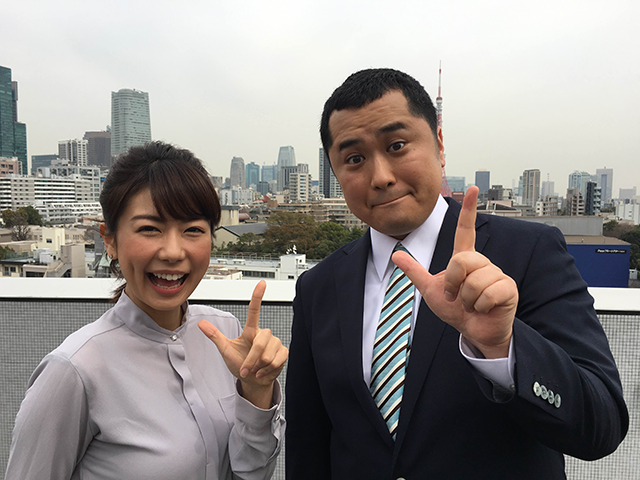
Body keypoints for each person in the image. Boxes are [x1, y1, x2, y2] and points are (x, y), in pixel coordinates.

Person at [285, 68, 628, 479]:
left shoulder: (527, 252)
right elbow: (308, 442)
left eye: (397, 146)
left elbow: (602, 426)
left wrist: (504, 348)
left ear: (439, 145)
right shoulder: (318, 286)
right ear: (335, 172)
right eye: (354, 159)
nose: (381, 177)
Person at [5, 142, 287, 480]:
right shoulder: (75, 371)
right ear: (109, 239)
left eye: (193, 230)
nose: (173, 252)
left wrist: (256, 391)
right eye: (149, 229)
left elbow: (251, 474)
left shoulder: (224, 333)